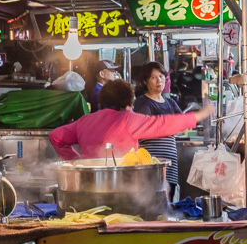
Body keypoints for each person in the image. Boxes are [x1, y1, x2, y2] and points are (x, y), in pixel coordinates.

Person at [49, 79, 213, 161]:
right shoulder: (126, 119)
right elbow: (164, 124)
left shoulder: (85, 121)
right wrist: (200, 114)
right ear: (128, 103)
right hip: (124, 186)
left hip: (89, 185)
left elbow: (55, 136)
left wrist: (79, 163)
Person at [133, 62, 186, 195]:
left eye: (162, 77)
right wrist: (171, 127)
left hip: (170, 163)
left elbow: (184, 124)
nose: (159, 81)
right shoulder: (142, 102)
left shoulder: (170, 102)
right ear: (145, 81)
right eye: (154, 78)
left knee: (169, 199)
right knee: (153, 199)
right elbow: (146, 128)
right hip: (152, 163)